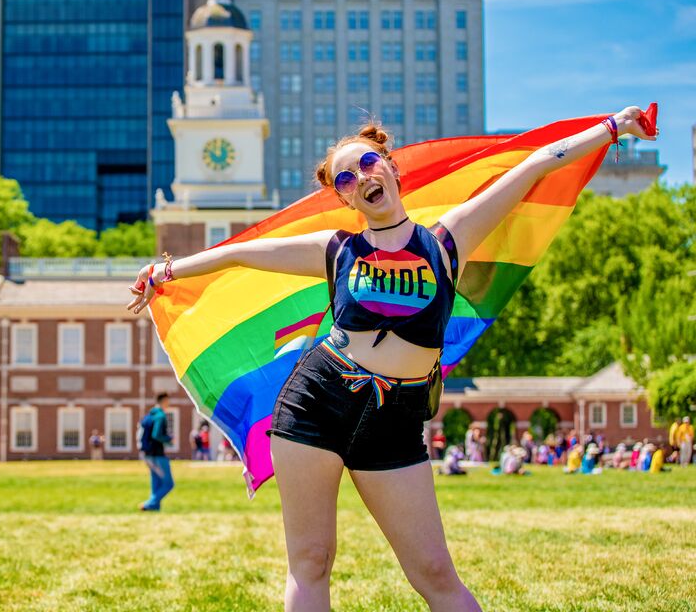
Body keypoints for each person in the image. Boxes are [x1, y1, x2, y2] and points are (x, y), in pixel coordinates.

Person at [127, 108, 657, 611]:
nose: (361, 178)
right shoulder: (336, 249)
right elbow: (241, 252)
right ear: (343, 198)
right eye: (345, 180)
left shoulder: (448, 241)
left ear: (389, 165)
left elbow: (535, 164)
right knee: (311, 561)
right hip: (316, 403)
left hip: (396, 420)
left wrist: (611, 128)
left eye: (366, 163)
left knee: (433, 572)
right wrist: (166, 272)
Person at [139, 392, 174, 511]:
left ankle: (154, 507)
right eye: (168, 401)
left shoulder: (150, 415)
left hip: (147, 454)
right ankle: (149, 504)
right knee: (168, 484)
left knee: (156, 482)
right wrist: (169, 439)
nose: (169, 403)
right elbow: (156, 434)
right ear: (163, 400)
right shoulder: (160, 416)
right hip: (157, 455)